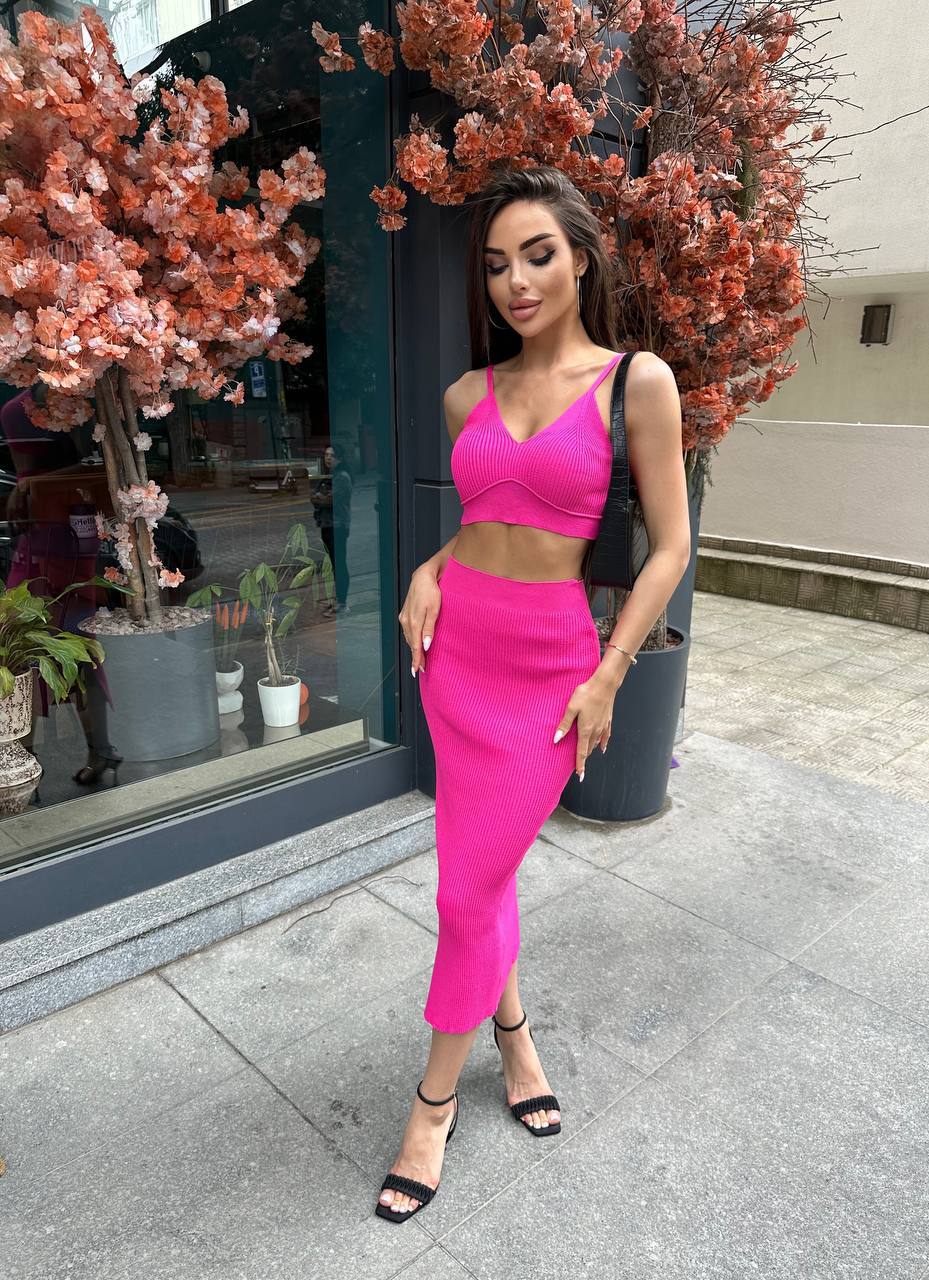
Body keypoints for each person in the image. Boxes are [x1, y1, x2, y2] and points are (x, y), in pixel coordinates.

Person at [383, 164, 691, 1222]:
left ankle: (430, 1101)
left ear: (581, 256)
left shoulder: (633, 381)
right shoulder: (466, 392)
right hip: (456, 650)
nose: (514, 280)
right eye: (497, 263)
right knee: (481, 871)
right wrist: (430, 567)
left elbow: (670, 545)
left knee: (465, 888)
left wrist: (611, 668)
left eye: (537, 254)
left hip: (553, 667)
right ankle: (508, 1039)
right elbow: (483, 518)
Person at [313, 441, 353, 617]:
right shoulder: (329, 476)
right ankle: (338, 600)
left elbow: (328, 500)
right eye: (326, 455)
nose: (328, 458)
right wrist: (319, 497)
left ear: (340, 458)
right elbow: (314, 497)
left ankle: (342, 603)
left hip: (338, 525)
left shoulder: (342, 477)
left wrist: (320, 498)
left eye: (332, 455)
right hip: (327, 524)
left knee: (339, 564)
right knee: (334, 564)